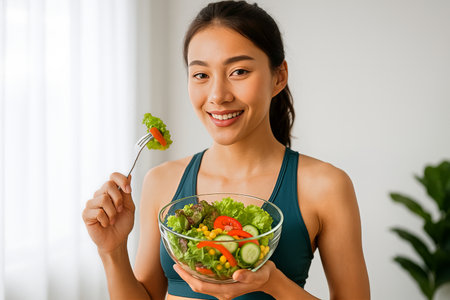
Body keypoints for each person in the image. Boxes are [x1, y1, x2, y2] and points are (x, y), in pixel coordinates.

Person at [82, 1, 370, 299]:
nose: (218, 96)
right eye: (201, 75)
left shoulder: (326, 186)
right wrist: (112, 251)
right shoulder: (161, 181)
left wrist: (273, 283)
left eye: (239, 71)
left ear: (278, 77)